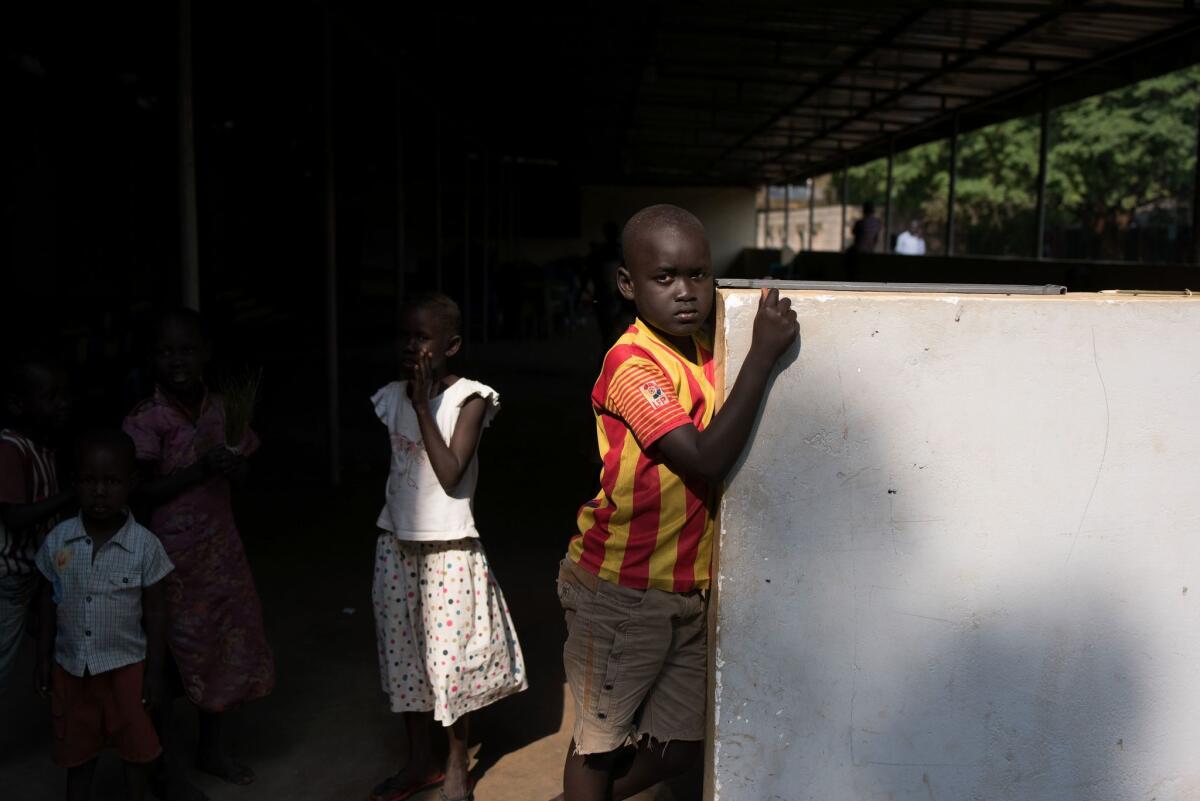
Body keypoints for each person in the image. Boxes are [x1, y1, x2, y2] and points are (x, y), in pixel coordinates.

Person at [556, 204, 799, 801]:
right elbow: (704, 457)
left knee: (682, 747)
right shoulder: (631, 363)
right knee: (599, 740)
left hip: (685, 588)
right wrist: (764, 356)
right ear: (626, 284)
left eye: (698, 274)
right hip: (619, 586)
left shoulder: (705, 347)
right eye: (664, 278)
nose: (685, 292)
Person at [368, 292, 526, 801]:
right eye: (404, 336)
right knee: (405, 657)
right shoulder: (389, 397)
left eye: (422, 338)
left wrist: (421, 404)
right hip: (397, 547)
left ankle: (456, 763)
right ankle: (419, 761)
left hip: (450, 551)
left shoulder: (471, 400)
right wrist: (410, 400)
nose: (410, 347)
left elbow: (452, 472)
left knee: (449, 664)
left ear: (451, 345)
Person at [121, 308, 274, 794]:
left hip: (220, 556)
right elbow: (136, 493)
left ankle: (211, 750)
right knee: (164, 663)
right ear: (151, 359)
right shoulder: (147, 419)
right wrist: (198, 471)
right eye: (165, 351)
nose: (176, 359)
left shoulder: (223, 409)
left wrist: (233, 470)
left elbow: (246, 469)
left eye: (186, 349)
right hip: (165, 563)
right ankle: (162, 764)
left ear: (205, 353)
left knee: (221, 650)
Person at [35, 429, 173, 801]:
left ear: (130, 483)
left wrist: (156, 672)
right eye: (89, 481)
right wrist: (43, 656)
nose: (99, 491)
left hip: (127, 666)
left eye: (111, 481)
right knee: (77, 751)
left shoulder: (145, 546)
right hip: (71, 667)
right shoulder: (59, 540)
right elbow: (48, 599)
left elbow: (157, 610)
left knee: (136, 748)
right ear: (74, 483)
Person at [0, 354, 76, 692]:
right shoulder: (10, 448)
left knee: (62, 635)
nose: (64, 404)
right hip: (10, 578)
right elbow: (15, 518)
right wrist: (72, 494)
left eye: (65, 395)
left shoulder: (43, 448)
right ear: (18, 405)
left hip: (36, 573)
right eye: (52, 397)